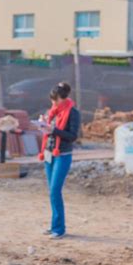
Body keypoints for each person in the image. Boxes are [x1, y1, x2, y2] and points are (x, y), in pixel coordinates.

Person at [38, 82, 80, 239]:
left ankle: (59, 228)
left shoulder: (73, 113)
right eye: (52, 100)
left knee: (55, 191)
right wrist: (43, 125)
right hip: (49, 153)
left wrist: (53, 130)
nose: (53, 103)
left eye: (55, 100)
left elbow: (73, 136)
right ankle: (55, 225)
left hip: (62, 155)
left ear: (64, 98)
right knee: (52, 192)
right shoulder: (53, 112)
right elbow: (49, 132)